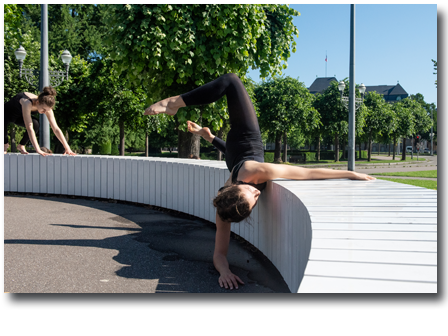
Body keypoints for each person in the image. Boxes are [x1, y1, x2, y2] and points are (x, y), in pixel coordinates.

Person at [144, 73, 376, 290]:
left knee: (232, 81)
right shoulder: (225, 207)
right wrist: (223, 272)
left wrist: (349, 173)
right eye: (254, 198)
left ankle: (173, 102)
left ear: (235, 186)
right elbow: (219, 255)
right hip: (234, 154)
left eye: (250, 190)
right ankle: (208, 135)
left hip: (245, 139)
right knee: (234, 145)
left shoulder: (256, 172)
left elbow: (305, 173)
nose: (257, 194)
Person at [3, 86, 75, 156]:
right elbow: (29, 128)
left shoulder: (47, 108)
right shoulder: (26, 102)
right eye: (43, 109)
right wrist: (38, 149)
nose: (45, 112)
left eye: (47, 110)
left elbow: (56, 129)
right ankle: (5, 145)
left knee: (36, 124)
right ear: (37, 102)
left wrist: (67, 148)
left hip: (19, 117)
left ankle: (21, 145)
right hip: (5, 114)